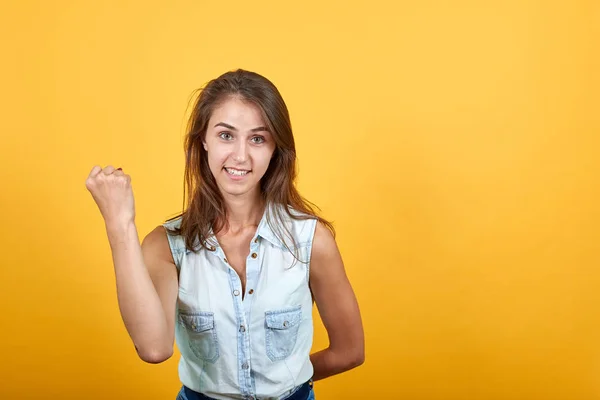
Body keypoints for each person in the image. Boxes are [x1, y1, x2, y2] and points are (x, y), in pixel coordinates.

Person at [85, 69, 364, 400]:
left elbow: (350, 350)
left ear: (276, 148)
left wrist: (289, 378)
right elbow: (153, 348)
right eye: (226, 135)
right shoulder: (166, 246)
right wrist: (120, 224)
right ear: (203, 139)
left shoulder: (311, 241)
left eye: (257, 138)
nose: (241, 156)